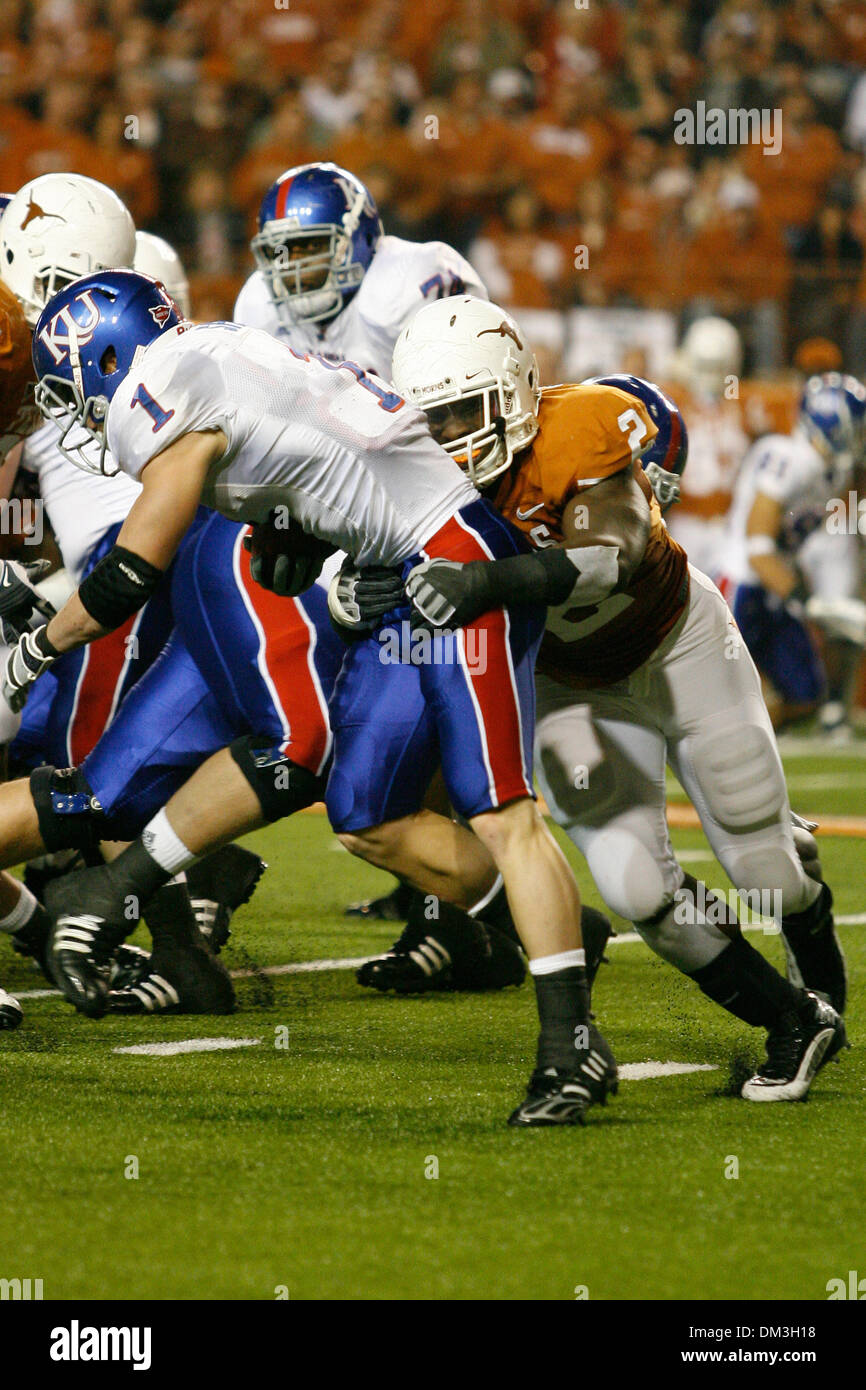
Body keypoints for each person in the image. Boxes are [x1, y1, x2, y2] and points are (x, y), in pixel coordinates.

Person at [17, 268, 616, 1127]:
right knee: (369, 810)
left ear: (107, 355)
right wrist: (291, 538)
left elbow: (132, 569)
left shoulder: (160, 385)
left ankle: (573, 1045)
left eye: (74, 387)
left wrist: (34, 649)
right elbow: (307, 486)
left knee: (500, 809)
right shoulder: (219, 348)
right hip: (398, 562)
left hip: (446, 557)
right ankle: (555, 945)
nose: (79, 412)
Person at [384, 295, 847, 1102]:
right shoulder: (410, 481)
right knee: (637, 888)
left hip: (678, 641)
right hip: (567, 682)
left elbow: (613, 557)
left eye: (468, 409)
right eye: (436, 420)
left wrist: (487, 581)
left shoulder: (582, 425)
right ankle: (795, 1022)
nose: (454, 437)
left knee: (758, 856)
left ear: (519, 389)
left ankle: (805, 913)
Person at [717, 372, 866, 735]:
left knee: (805, 695)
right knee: (720, 694)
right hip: (740, 583)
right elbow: (757, 546)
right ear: (834, 422)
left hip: (774, 586)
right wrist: (808, 600)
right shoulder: (790, 458)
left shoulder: (831, 469)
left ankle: (747, 740)